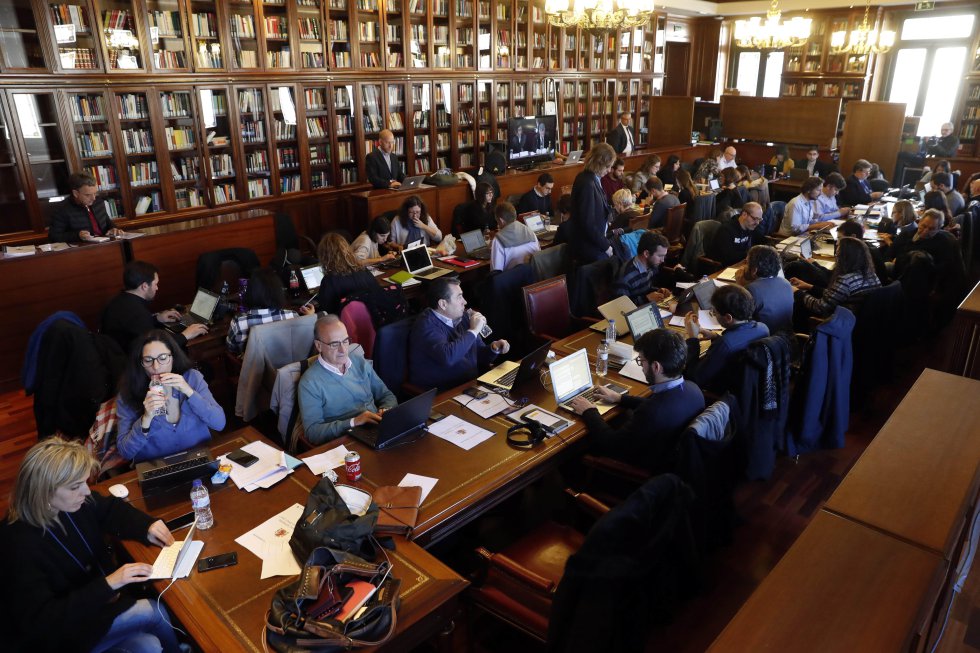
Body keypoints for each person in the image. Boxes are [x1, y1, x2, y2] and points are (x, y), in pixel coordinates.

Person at [1, 437, 182, 653]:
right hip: (60, 637)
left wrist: (146, 526)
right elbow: (43, 622)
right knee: (152, 611)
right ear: (44, 491)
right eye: (76, 487)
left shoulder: (72, 502)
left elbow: (109, 509)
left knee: (148, 645)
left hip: (93, 609)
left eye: (85, 482)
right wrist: (108, 585)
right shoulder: (17, 546)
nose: (86, 492)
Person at [568, 329, 705, 472]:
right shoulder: (694, 390)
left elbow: (611, 444)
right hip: (664, 454)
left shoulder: (653, 412)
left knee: (576, 451)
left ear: (656, 366)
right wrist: (620, 398)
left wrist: (589, 411)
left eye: (642, 361)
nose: (641, 366)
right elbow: (661, 406)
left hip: (636, 473)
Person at [116, 330, 225, 462]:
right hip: (155, 467)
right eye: (148, 360)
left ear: (173, 357)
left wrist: (190, 392)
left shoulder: (192, 378)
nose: (156, 367)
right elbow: (125, 452)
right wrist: (146, 419)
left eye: (162, 358)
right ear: (140, 363)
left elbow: (219, 423)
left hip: (200, 458)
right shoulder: (128, 392)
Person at [298, 315, 397, 445]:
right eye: (335, 344)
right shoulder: (310, 382)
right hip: (346, 441)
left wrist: (386, 410)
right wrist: (354, 422)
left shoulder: (358, 361)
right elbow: (313, 433)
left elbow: (386, 395)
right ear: (319, 346)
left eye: (345, 341)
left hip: (376, 429)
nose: (343, 349)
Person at [408, 276, 510, 390]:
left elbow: (480, 356)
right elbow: (448, 357)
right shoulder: (425, 326)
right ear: (443, 304)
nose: (465, 302)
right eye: (459, 297)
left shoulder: (463, 316)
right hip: (444, 392)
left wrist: (494, 347)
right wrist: (473, 331)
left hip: (470, 384)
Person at [101, 260, 208, 354]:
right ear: (144, 286)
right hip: (132, 363)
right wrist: (186, 335)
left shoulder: (118, 300)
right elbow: (156, 349)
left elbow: (133, 326)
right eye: (155, 284)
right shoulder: (138, 313)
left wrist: (156, 319)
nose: (157, 288)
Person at [684, 284, 769, 394]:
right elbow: (737, 342)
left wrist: (693, 338)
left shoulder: (725, 344)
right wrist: (715, 336)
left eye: (714, 312)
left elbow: (695, 378)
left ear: (728, 318)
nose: (713, 314)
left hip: (720, 395)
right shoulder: (763, 328)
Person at [226, 267, 312, 355]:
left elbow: (231, 348)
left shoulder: (239, 322)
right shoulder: (292, 315)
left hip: (256, 368)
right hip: (288, 366)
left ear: (250, 292)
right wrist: (310, 317)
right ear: (278, 291)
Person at [791, 237, 881, 318]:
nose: (836, 258)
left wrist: (797, 292)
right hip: (859, 321)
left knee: (796, 306)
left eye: (837, 256)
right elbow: (835, 295)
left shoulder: (845, 280)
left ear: (845, 258)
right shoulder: (872, 275)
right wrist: (808, 286)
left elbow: (820, 307)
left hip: (839, 324)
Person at [569, 143, 616, 263]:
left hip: (595, 243)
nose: (610, 170)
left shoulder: (594, 178)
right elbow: (587, 222)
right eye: (607, 166)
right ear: (598, 163)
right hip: (589, 249)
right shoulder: (586, 183)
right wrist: (605, 246)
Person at [48, 171, 124, 243]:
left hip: (106, 244)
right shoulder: (62, 209)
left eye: (95, 193)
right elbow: (54, 237)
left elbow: (107, 222)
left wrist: (114, 229)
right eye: (88, 195)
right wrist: (77, 235)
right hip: (82, 250)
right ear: (75, 193)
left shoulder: (98, 202)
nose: (93, 198)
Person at [315, 232, 379, 315]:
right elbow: (377, 293)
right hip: (373, 319)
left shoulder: (329, 281)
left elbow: (325, 313)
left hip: (345, 324)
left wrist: (311, 313)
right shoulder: (364, 271)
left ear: (324, 257)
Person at [739, 245, 794, 334]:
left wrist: (740, 288)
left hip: (761, 342)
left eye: (746, 262)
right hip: (785, 340)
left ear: (754, 271)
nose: (744, 266)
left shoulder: (751, 290)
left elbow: (740, 322)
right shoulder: (786, 283)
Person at [612, 230, 671, 305]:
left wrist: (657, 291)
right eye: (660, 256)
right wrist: (646, 299)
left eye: (664, 256)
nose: (662, 260)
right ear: (646, 253)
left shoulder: (649, 266)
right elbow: (621, 307)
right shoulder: (625, 277)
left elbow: (644, 291)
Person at [708, 202, 766, 266]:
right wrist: (751, 254)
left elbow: (761, 242)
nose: (757, 223)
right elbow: (728, 257)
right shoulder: (726, 230)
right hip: (723, 268)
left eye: (759, 219)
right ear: (744, 215)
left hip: (742, 264)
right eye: (755, 219)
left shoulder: (751, 227)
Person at [490, 201, 539, 271]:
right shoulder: (530, 231)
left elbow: (495, 271)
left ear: (501, 221)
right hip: (533, 276)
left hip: (512, 280)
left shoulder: (498, 239)